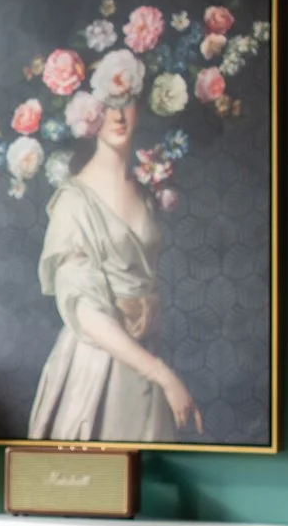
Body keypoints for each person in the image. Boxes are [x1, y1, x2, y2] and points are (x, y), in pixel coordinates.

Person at [27, 70, 202, 440]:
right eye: (106, 105)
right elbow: (87, 313)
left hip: (147, 355)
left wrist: (157, 370)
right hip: (99, 365)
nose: (118, 116)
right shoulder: (74, 202)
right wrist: (162, 374)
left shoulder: (142, 189)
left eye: (126, 103)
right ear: (88, 115)